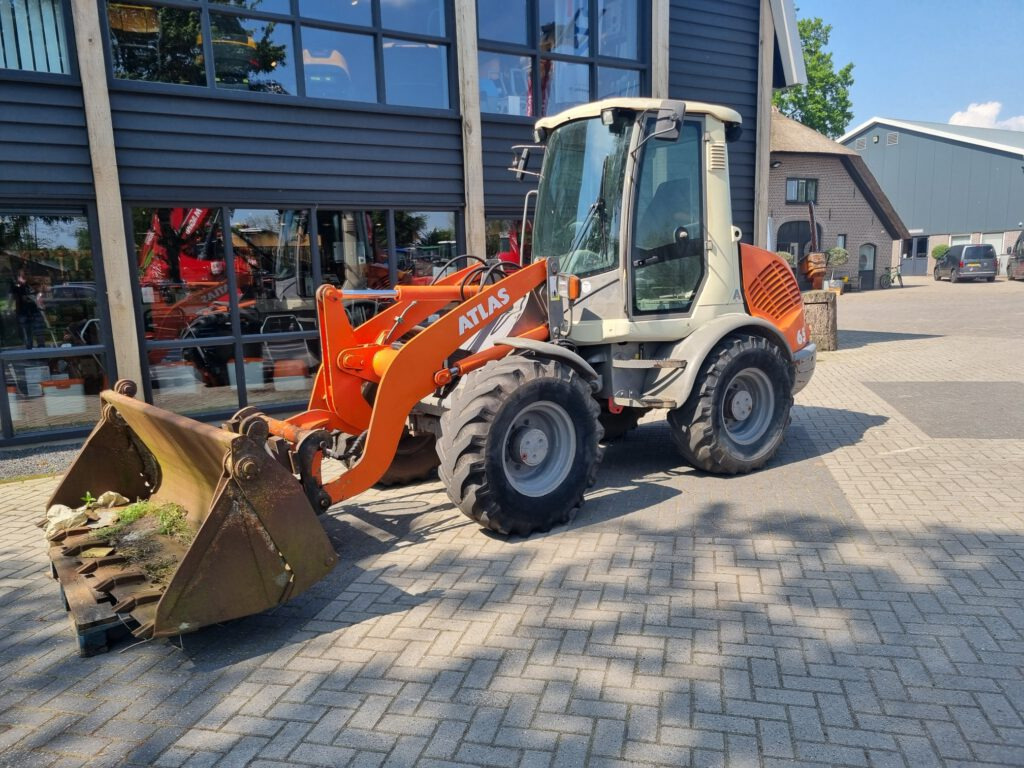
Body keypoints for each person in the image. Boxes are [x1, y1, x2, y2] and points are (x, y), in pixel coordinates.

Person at [11, 270, 43, 349]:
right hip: (23, 312)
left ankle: (42, 349)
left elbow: (39, 296)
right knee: (27, 332)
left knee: (38, 331)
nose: (25, 278)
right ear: (19, 277)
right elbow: (14, 298)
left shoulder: (32, 285)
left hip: (34, 311)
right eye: (23, 276)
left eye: (27, 275)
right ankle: (29, 350)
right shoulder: (17, 287)